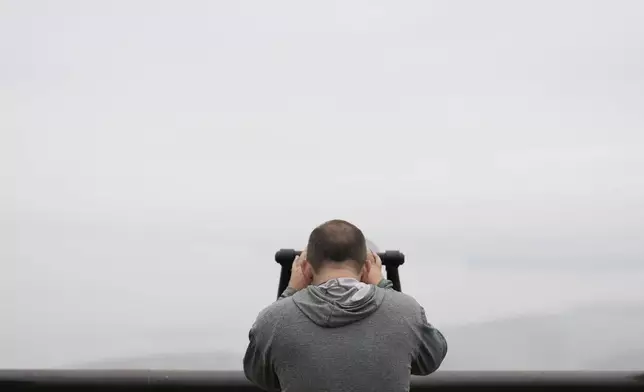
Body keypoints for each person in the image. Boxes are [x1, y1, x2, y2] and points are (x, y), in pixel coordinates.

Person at [243, 219, 448, 392]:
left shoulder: (274, 319)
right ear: (367, 266)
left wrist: (290, 293)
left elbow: (260, 375)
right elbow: (430, 359)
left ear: (305, 267)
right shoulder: (406, 311)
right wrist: (384, 287)